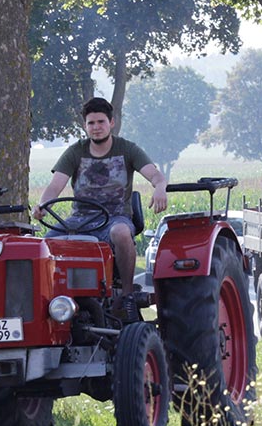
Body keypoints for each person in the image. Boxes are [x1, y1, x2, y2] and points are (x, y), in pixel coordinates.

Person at [32, 97, 168, 307]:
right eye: (91, 123)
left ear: (111, 123)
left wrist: (160, 189)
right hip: (80, 220)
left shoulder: (127, 149)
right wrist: (42, 205)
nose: (96, 128)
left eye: (101, 122)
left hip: (114, 218)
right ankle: (50, 300)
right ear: (85, 126)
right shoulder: (76, 151)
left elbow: (156, 176)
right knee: (44, 244)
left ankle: (127, 295)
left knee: (121, 233)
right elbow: (54, 186)